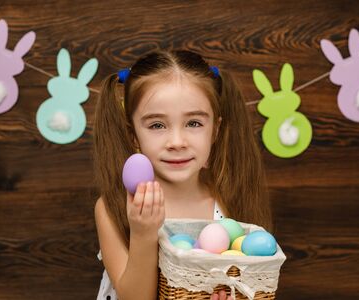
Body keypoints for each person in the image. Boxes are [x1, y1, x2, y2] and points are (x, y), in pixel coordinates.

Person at [93, 50, 273, 300]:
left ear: (215, 130)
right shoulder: (111, 208)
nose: (177, 142)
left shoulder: (226, 200)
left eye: (194, 123)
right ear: (133, 135)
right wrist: (143, 233)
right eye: (157, 125)